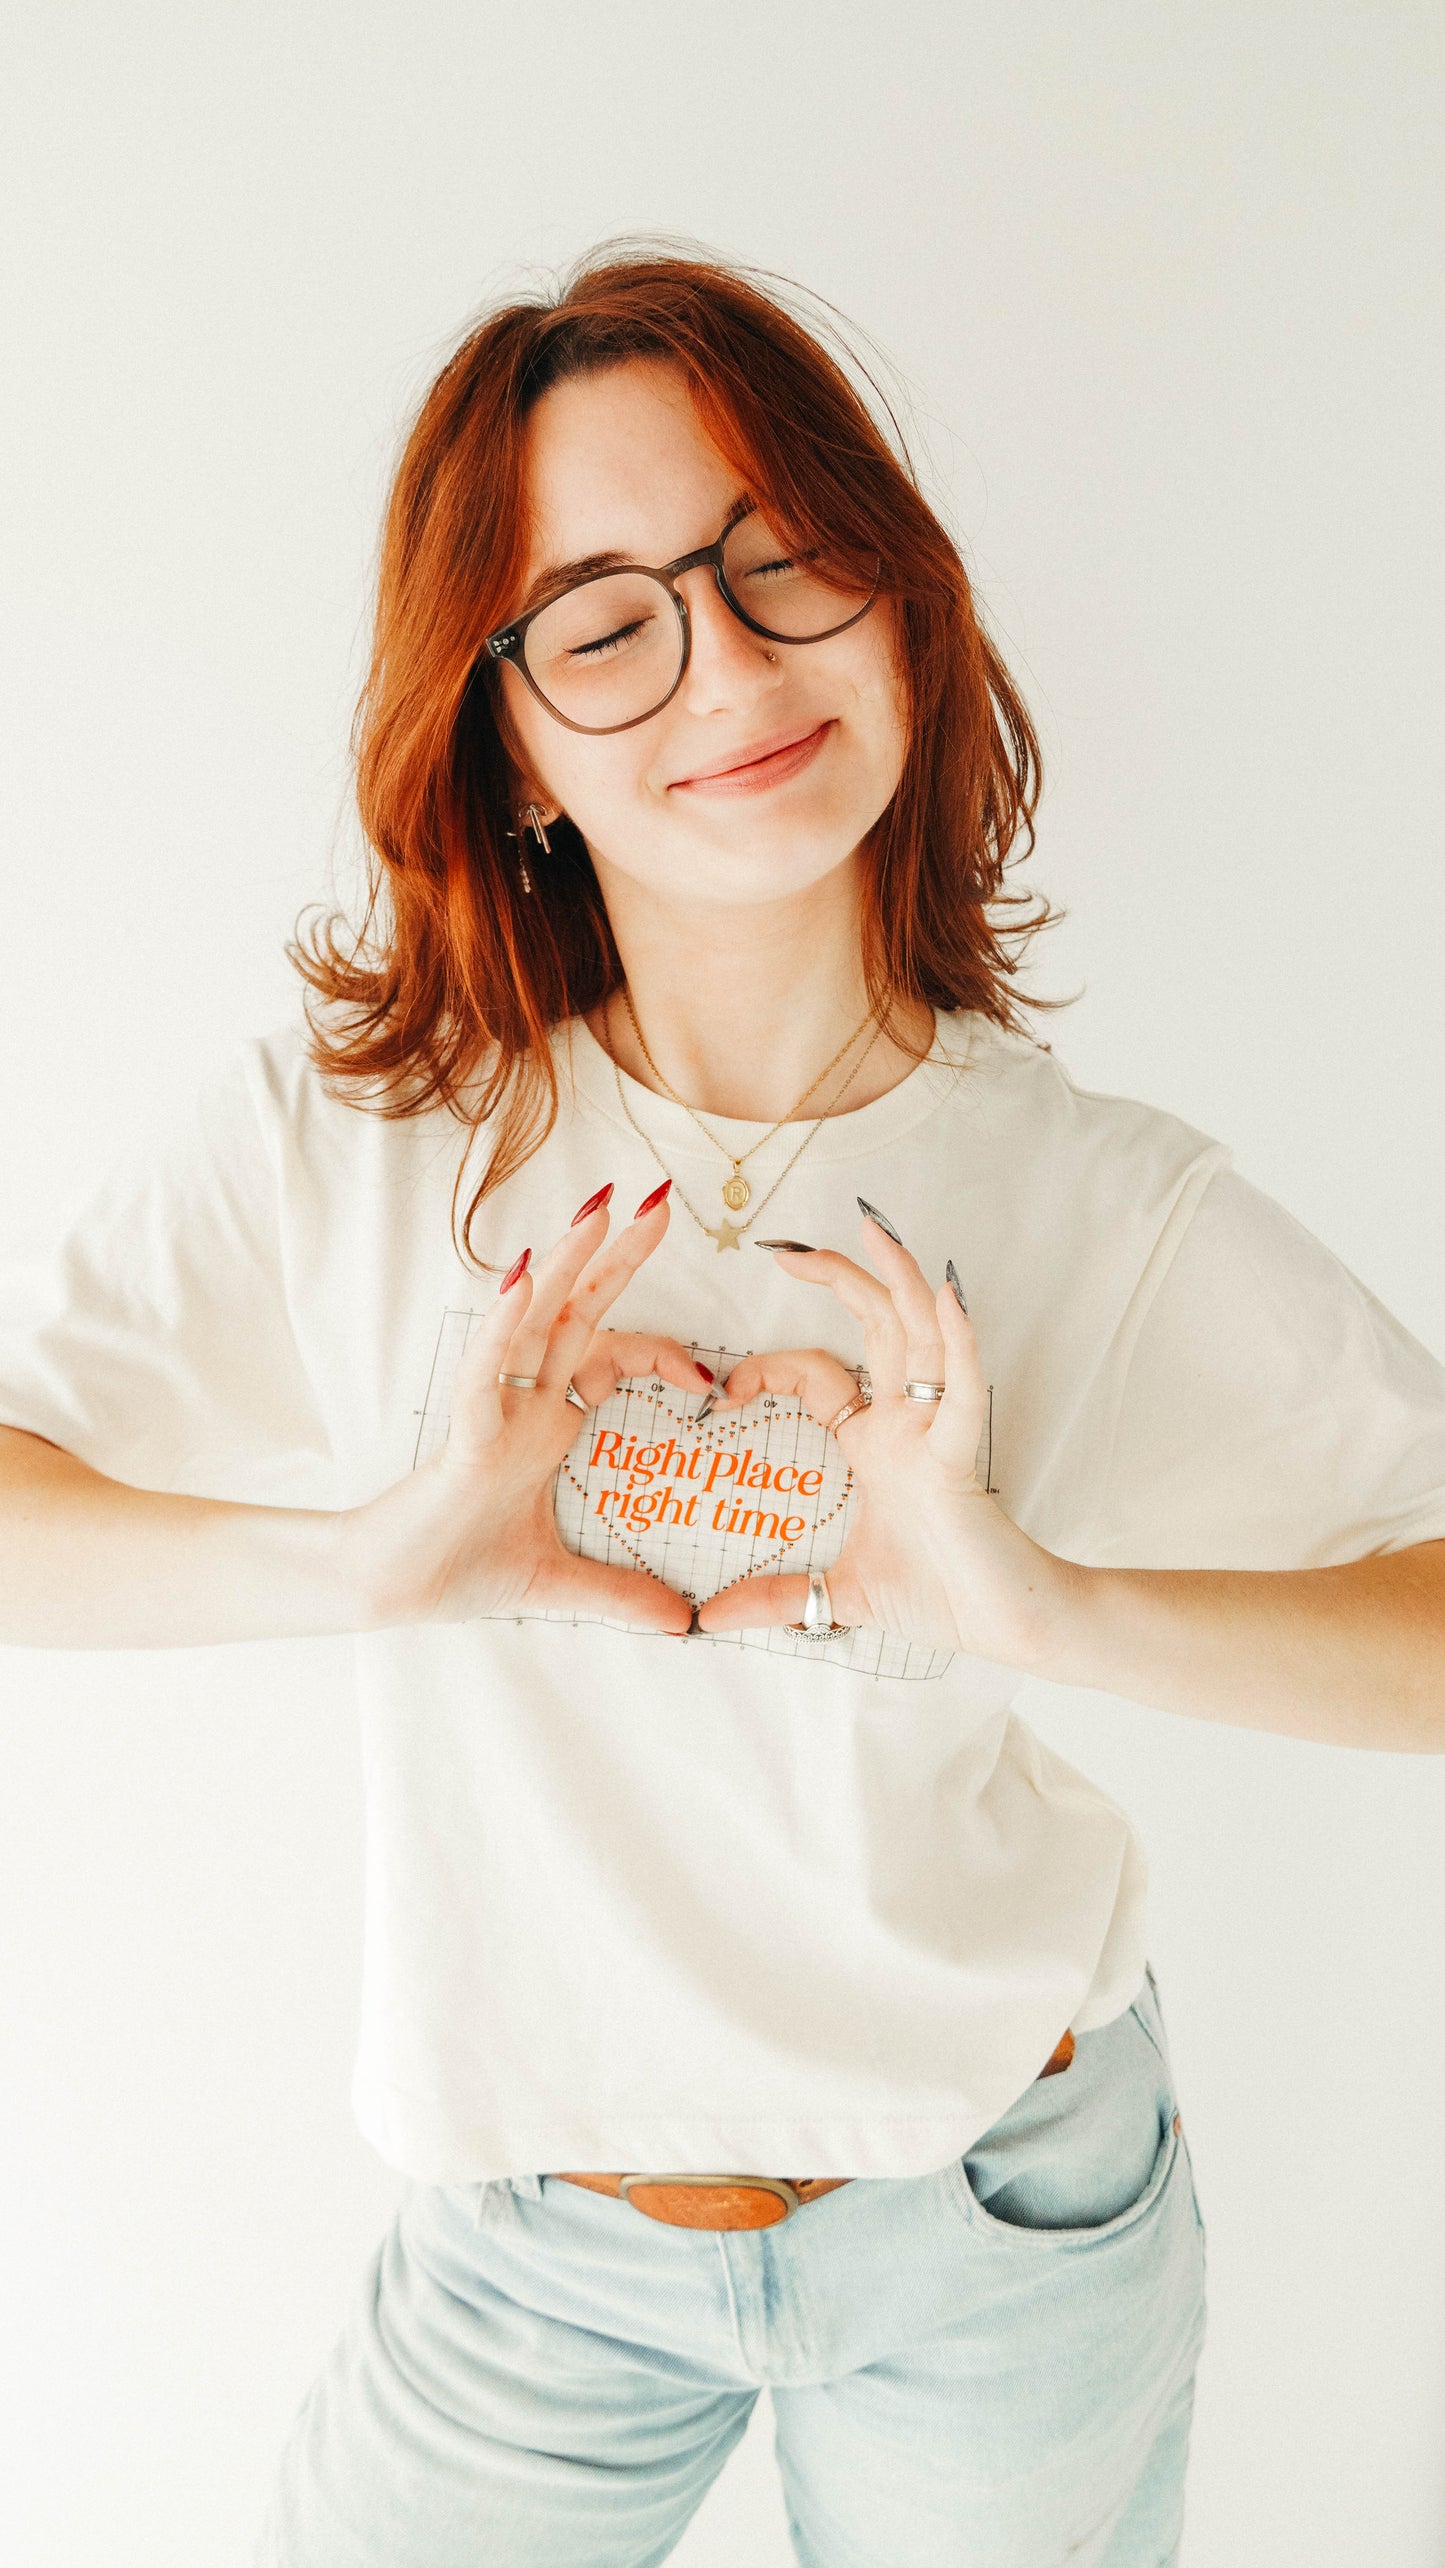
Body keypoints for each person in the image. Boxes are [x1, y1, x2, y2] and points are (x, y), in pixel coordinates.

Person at [2, 246, 1443, 2568]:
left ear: (904, 606)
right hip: (529, 2250)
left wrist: (1036, 1602)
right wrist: (377, 1557)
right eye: (606, 618)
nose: (732, 667)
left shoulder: (1100, 1202)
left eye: (783, 565)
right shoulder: (362, 1141)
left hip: (1000, 2221)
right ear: (506, 732)